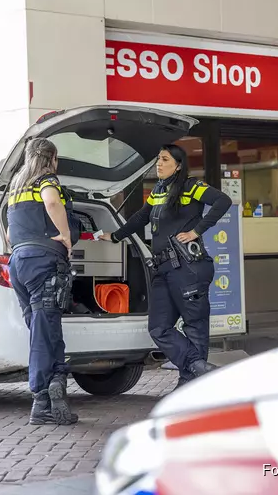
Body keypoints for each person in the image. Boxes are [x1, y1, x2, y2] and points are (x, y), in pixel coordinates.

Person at [99, 144, 232, 389]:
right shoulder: (159, 190)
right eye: (158, 159)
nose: (159, 164)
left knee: (194, 326)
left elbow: (223, 201)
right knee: (159, 327)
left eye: (165, 160)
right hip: (162, 267)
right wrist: (116, 235)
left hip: (188, 266)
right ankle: (196, 367)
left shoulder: (191, 186)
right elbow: (141, 216)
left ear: (178, 165)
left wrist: (196, 231)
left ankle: (189, 385)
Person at [6, 137, 82, 425]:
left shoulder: (16, 186)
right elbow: (51, 200)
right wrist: (65, 235)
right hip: (43, 262)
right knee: (43, 329)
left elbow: (10, 233)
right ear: (53, 159)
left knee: (45, 327)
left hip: (19, 263)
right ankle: (41, 402)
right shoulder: (45, 180)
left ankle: (55, 384)